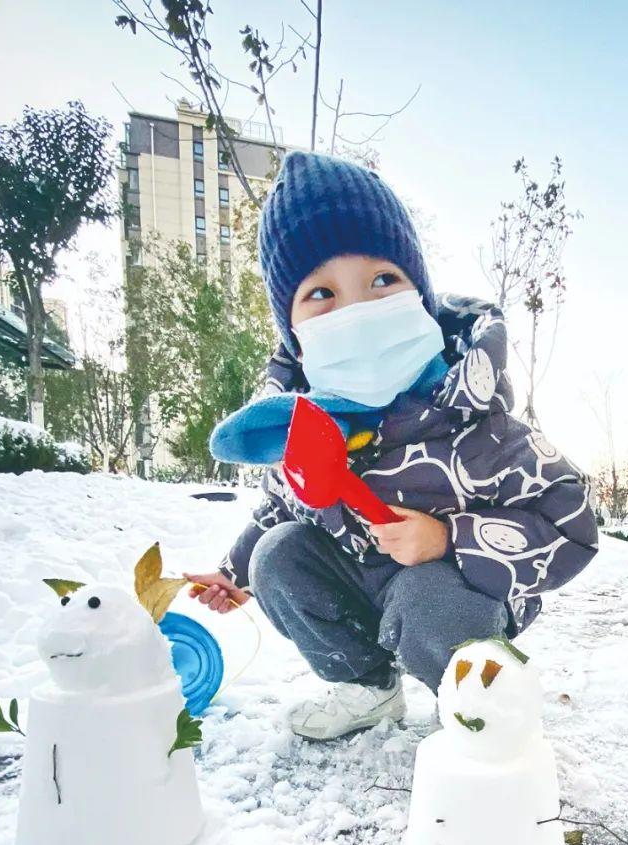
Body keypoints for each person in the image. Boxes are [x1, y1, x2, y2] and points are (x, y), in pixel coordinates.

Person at [186, 151, 597, 741]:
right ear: (297, 339)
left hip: (454, 596)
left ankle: (477, 713)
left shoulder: (479, 427)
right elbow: (280, 508)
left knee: (430, 599)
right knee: (276, 553)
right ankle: (366, 688)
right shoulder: (303, 432)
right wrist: (234, 572)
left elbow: (573, 523)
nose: (357, 309)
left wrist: (450, 538)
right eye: (321, 294)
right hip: (360, 586)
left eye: (383, 280)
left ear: (422, 299)